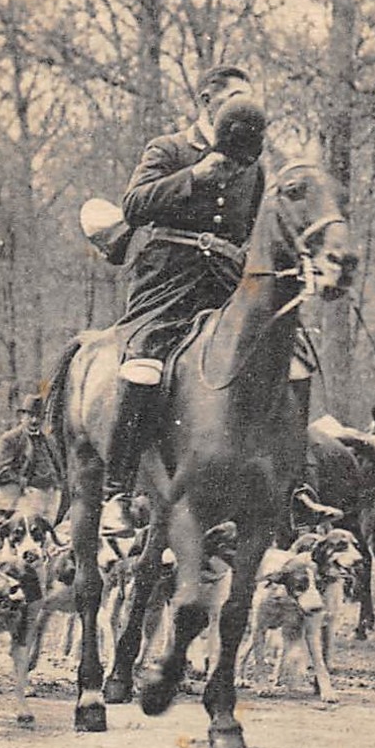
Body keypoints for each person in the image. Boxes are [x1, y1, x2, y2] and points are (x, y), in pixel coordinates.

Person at [101, 64, 269, 536]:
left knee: (282, 356)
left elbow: (253, 230)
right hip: (168, 279)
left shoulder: (252, 167)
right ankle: (117, 491)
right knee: (144, 366)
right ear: (207, 101)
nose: (244, 105)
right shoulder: (169, 148)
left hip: (226, 281)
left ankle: (286, 485)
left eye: (250, 97)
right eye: (235, 95)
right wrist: (195, 175)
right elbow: (134, 206)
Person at [0, 394, 56, 494]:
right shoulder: (9, 439)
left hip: (49, 494)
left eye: (38, 416)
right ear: (22, 417)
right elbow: (2, 473)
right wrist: (23, 484)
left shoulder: (48, 441)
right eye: (31, 415)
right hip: (21, 494)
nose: (34, 420)